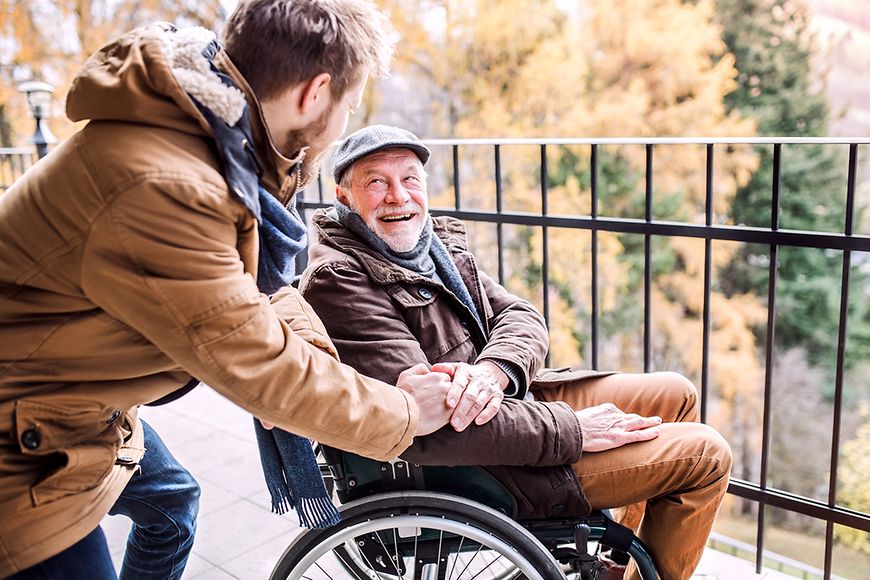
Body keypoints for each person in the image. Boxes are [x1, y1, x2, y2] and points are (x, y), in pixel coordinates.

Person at [0, 3, 458, 578]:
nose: (342, 124)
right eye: (348, 105)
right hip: (20, 444)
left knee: (171, 505)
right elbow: (258, 364)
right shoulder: (165, 186)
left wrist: (332, 367)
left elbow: (264, 292)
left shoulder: (217, 142)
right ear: (316, 94)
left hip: (76, 403)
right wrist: (405, 412)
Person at [299, 124, 734, 580]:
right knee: (707, 456)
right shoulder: (341, 280)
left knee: (675, 393)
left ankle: (619, 570)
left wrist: (492, 372)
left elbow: (521, 316)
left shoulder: (431, 249)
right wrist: (572, 429)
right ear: (344, 197)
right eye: (376, 182)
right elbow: (426, 430)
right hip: (487, 463)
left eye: (410, 179)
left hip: (509, 409)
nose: (398, 196)